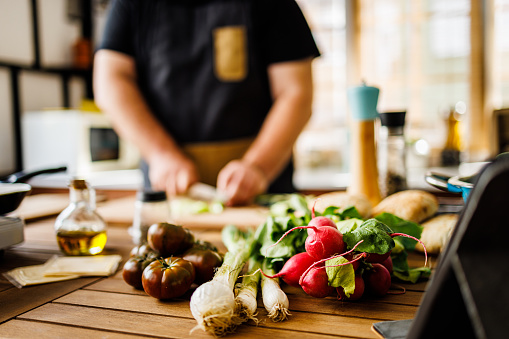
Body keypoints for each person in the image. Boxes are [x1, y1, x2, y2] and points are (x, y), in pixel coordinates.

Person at [93, 0, 320, 206]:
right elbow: (110, 82)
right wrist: (161, 154)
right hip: (168, 195)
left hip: (263, 193)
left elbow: (295, 93)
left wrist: (258, 166)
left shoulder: (277, 4)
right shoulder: (130, 5)